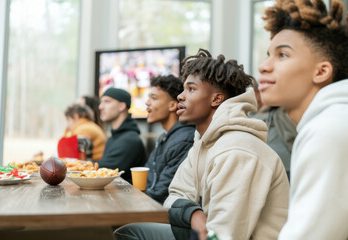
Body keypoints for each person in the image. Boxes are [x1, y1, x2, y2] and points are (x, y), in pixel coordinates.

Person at [114, 49, 289, 240]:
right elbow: (173, 196)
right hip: (201, 232)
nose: (180, 96)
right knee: (128, 232)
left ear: (216, 99)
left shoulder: (237, 150)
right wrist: (194, 214)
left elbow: (223, 235)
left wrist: (192, 217)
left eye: (191, 89)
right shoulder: (203, 143)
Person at [259, 0, 348, 239]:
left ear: (321, 71)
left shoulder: (328, 129)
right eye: (269, 55)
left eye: (283, 55)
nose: (263, 67)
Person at [144, 74, 195, 204]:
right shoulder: (164, 138)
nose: (147, 102)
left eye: (153, 98)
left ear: (173, 105)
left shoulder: (185, 139)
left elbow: (162, 192)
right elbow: (148, 178)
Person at [250, 80, 297, 178]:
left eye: (253, 93)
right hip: (264, 169)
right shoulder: (247, 116)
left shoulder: (280, 112)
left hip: (288, 167)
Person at [98, 87, 146, 183]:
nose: (100, 107)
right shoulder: (114, 137)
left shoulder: (130, 140)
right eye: (101, 102)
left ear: (122, 106)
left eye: (107, 102)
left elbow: (104, 171)